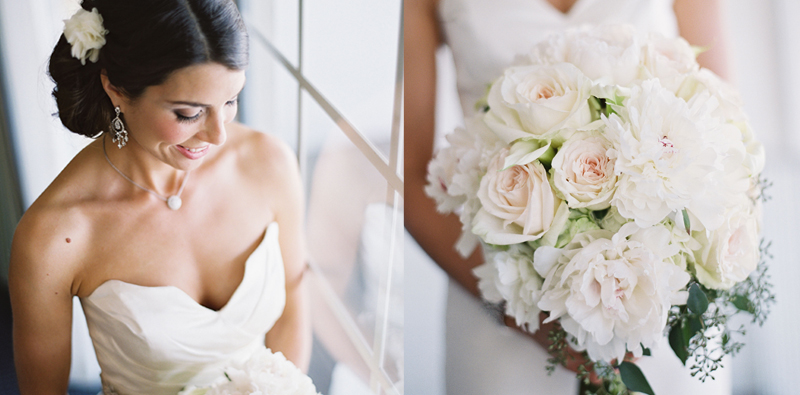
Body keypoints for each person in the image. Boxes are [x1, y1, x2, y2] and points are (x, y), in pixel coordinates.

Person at [405, 0, 735, 393]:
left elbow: (726, 129)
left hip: (658, 304)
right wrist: (518, 312)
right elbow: (409, 176)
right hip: (503, 295)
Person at [8, 1, 310, 394]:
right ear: (114, 88)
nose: (218, 135)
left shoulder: (269, 163)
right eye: (188, 113)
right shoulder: (54, 236)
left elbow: (293, 305)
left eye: (231, 101)